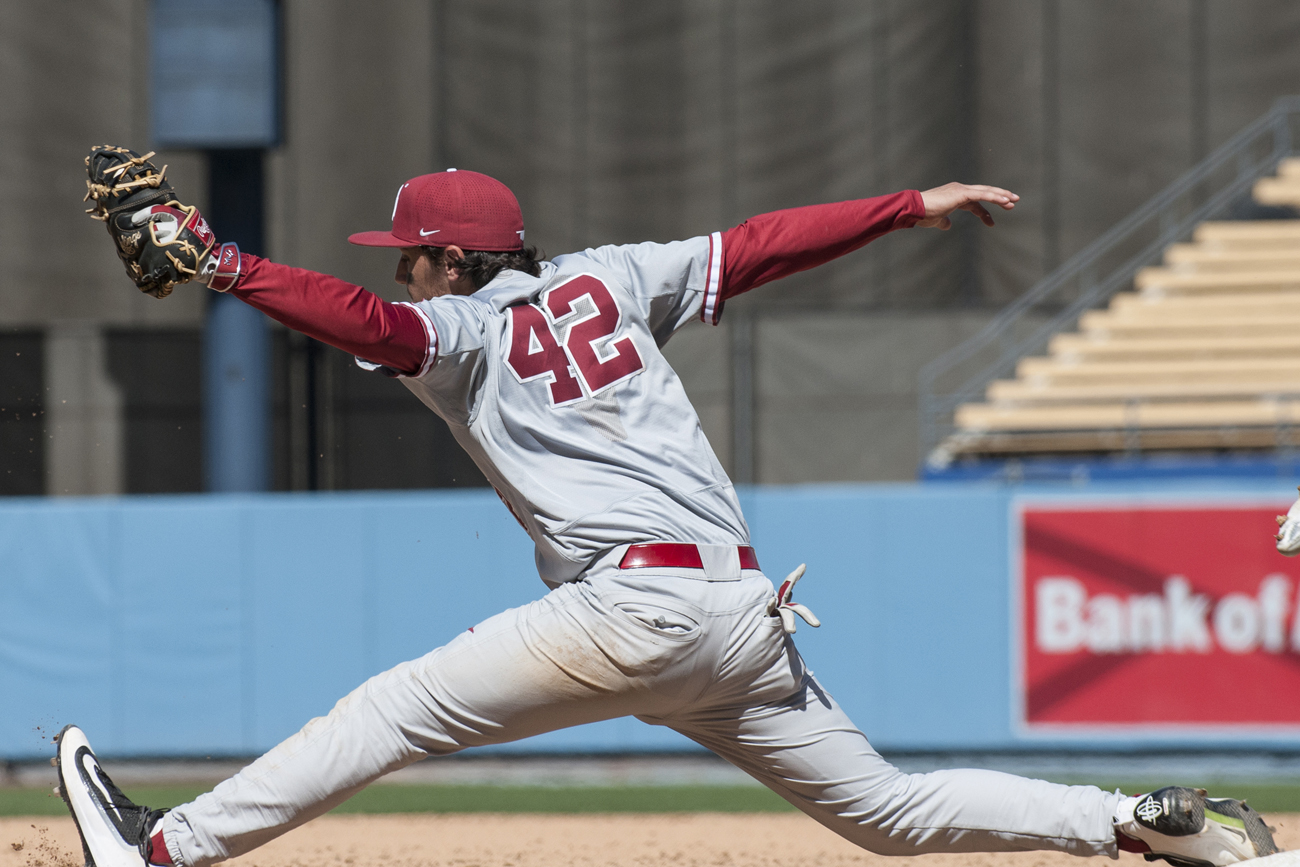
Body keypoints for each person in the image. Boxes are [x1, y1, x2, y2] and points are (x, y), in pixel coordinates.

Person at [58, 169, 1278, 867]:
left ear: (451, 264)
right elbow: (756, 247)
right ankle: (1133, 825)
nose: (399, 270)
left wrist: (224, 265)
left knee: (392, 713)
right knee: (886, 814)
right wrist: (905, 204)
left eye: (410, 254)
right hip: (738, 616)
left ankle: (162, 851)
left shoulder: (462, 330)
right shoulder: (615, 274)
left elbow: (367, 324)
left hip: (632, 607)